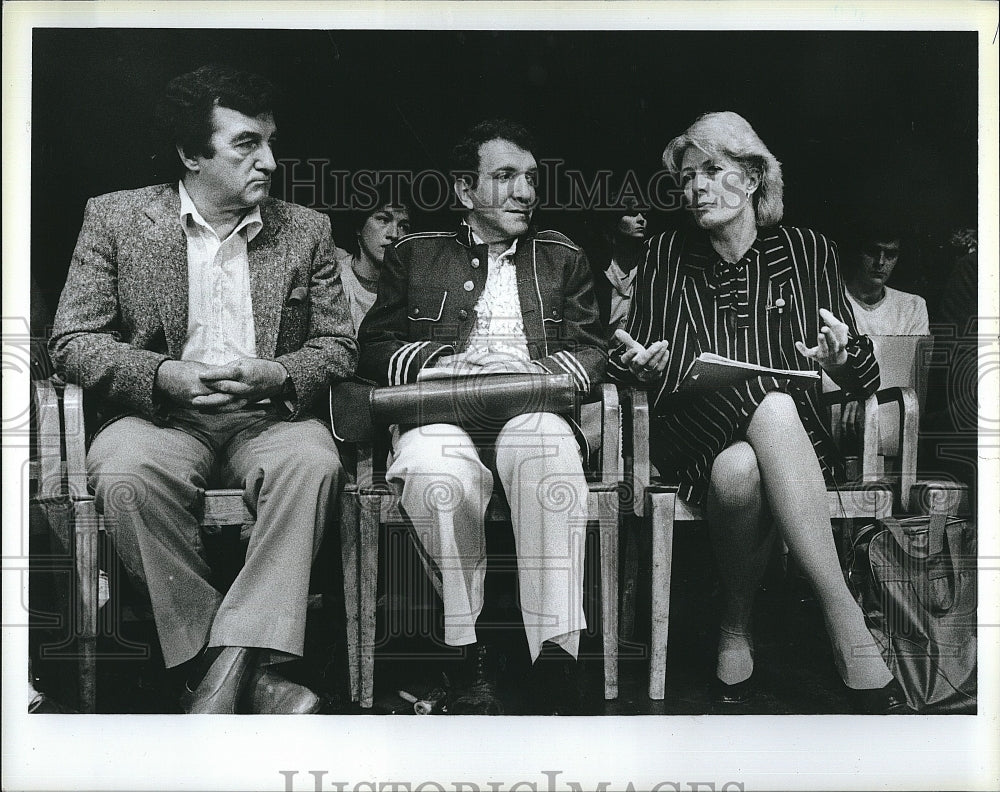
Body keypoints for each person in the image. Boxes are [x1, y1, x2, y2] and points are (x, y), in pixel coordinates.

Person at [49, 64, 357, 714]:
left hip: (267, 419)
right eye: (247, 143)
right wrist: (163, 375)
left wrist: (277, 373)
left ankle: (217, 678)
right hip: (161, 419)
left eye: (271, 142)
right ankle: (244, 673)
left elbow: (337, 347)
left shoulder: (307, 230)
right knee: (123, 472)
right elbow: (72, 341)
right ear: (191, 153)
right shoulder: (116, 219)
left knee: (314, 462)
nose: (269, 161)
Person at [609, 111, 910, 713]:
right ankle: (842, 615)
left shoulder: (807, 251)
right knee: (769, 406)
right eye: (688, 176)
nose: (695, 187)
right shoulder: (668, 253)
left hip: (789, 444)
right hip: (691, 429)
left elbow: (861, 376)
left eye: (712, 171)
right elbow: (628, 362)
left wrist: (842, 355)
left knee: (742, 468)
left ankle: (735, 621)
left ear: (751, 179)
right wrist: (638, 367)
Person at [357, 118, 606, 714]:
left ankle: (555, 657)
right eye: (504, 177)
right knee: (435, 473)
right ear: (465, 192)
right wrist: (446, 362)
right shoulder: (415, 256)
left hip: (531, 410)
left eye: (530, 178)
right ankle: (464, 655)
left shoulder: (563, 257)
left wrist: (527, 371)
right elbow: (373, 345)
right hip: (441, 411)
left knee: (545, 449)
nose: (524, 191)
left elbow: (593, 349)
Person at [334, 188, 412, 330]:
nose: (394, 234)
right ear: (359, 226)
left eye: (403, 226)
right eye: (383, 220)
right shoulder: (335, 278)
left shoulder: (412, 288)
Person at [843, 224, 929, 336]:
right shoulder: (832, 299)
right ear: (857, 253)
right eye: (872, 251)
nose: (880, 262)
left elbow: (915, 353)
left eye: (890, 254)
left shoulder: (913, 306)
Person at [589, 193, 649, 335]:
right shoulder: (595, 270)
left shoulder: (650, 267)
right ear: (613, 220)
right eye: (631, 213)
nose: (641, 219)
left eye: (644, 214)